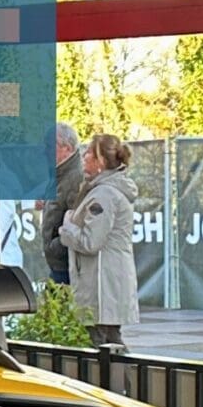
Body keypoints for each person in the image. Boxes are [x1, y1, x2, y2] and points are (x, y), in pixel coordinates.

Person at [58, 133, 138, 348]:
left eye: (89, 154)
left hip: (102, 285)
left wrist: (67, 228)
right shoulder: (103, 190)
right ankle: (123, 382)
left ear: (100, 162)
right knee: (110, 344)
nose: (83, 156)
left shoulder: (104, 195)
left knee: (98, 345)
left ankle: (118, 383)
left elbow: (91, 242)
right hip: (104, 282)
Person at [40, 123, 83, 287]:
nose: (45, 152)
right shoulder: (60, 173)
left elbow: (77, 221)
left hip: (66, 266)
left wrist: (55, 246)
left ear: (67, 148)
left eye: (50, 146)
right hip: (58, 263)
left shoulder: (75, 177)